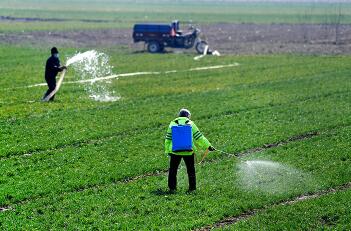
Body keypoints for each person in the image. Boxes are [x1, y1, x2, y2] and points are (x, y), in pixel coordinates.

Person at [165, 108, 215, 193]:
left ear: (179, 115)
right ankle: (192, 189)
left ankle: (172, 189)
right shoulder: (190, 123)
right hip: (188, 151)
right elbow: (199, 137)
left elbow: (168, 138)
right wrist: (208, 146)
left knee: (173, 170)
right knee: (190, 170)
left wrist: (168, 151)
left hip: (175, 151)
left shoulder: (172, 123)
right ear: (188, 116)